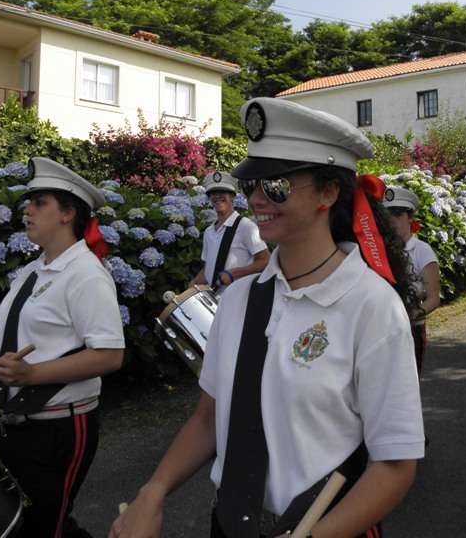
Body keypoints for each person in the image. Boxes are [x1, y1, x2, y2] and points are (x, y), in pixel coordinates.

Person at [111, 97, 424, 538]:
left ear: (329, 192)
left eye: (276, 185)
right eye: (252, 184)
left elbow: (394, 464)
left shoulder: (371, 305)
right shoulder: (239, 299)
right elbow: (208, 418)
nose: (257, 199)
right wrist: (153, 492)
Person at [0, 157, 125, 538]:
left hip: (60, 427)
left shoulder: (87, 275)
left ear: (67, 213)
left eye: (39, 202)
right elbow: (10, 346)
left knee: (46, 527)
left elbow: (110, 354)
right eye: (29, 202)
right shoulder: (32, 271)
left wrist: (33, 374)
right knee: (20, 525)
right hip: (15, 425)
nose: (27, 210)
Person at [382, 186, 440, 374]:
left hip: (410, 329)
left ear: (409, 217)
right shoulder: (379, 251)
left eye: (397, 214)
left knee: (408, 386)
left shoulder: (421, 250)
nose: (392, 220)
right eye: (387, 214)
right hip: (382, 328)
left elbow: (433, 298)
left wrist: (410, 316)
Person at [190, 171, 270, 295]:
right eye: (213, 193)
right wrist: (192, 286)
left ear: (232, 196)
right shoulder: (208, 232)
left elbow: (265, 261)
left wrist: (234, 273)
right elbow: (208, 269)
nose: (217, 196)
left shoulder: (246, 226)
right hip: (215, 301)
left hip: (239, 299)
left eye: (222, 192)